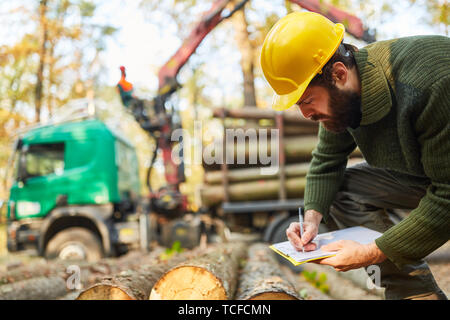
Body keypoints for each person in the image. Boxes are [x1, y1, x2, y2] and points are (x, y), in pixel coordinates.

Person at [260, 11, 449, 300]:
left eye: (307, 100)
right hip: (431, 174)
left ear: (338, 74)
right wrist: (311, 218)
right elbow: (326, 161)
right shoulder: (344, 98)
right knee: (338, 190)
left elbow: (448, 195)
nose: (306, 114)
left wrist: (373, 251)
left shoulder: (431, 82)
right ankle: (416, 295)